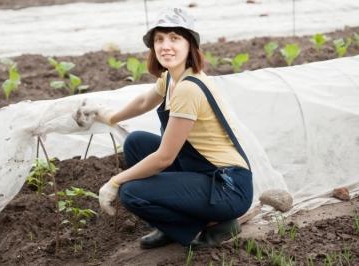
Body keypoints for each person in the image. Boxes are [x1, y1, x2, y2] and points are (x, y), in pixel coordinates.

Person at [75, 6, 253, 249]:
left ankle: (214, 225)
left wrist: (114, 182)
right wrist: (107, 116)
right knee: (136, 142)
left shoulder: (189, 88)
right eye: (159, 39)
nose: (165, 45)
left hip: (227, 186)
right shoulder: (171, 77)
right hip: (203, 169)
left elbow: (164, 158)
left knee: (131, 192)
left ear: (190, 44)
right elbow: (144, 102)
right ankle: (170, 226)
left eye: (174, 38)